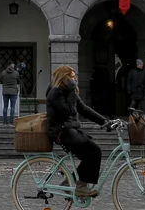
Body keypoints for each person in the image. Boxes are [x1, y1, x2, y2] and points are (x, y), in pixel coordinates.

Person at [46, 65, 109, 198]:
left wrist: (104, 122)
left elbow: (84, 109)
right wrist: (72, 92)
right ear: (65, 77)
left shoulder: (69, 92)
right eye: (73, 76)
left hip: (70, 130)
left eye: (75, 76)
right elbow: (66, 112)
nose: (75, 79)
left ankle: (71, 182)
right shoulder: (55, 92)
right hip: (60, 132)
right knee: (92, 151)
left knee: (94, 151)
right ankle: (80, 186)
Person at [0, 62, 20, 127]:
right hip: (13, 91)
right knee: (12, 107)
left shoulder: (3, 73)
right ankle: (11, 122)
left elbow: (1, 78)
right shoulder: (16, 73)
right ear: (12, 66)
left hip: (5, 91)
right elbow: (18, 80)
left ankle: (4, 122)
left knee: (5, 107)